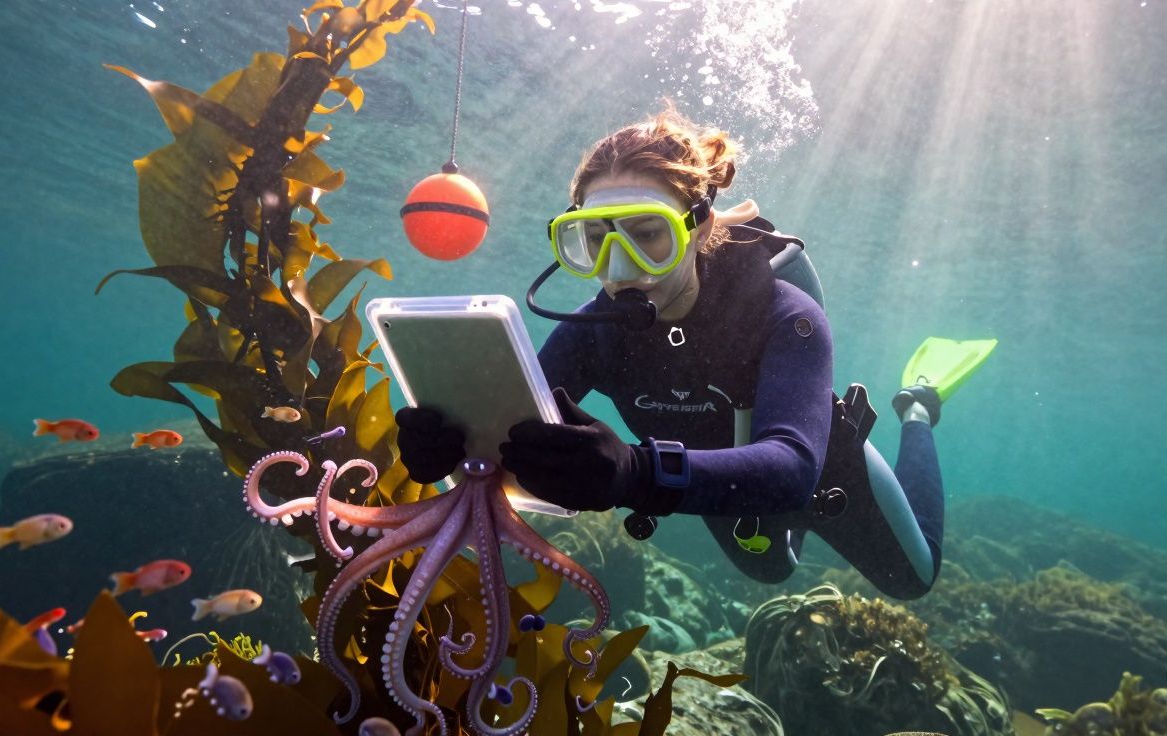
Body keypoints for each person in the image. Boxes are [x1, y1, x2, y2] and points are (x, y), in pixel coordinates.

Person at [396, 108, 993, 600]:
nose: (620, 269)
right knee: (769, 571)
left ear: (699, 228)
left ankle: (917, 408)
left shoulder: (785, 314)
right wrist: (456, 446)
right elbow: (514, 429)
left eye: (648, 235)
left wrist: (634, 473)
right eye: (596, 240)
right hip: (722, 484)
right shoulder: (592, 331)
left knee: (913, 579)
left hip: (822, 469)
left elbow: (791, 468)